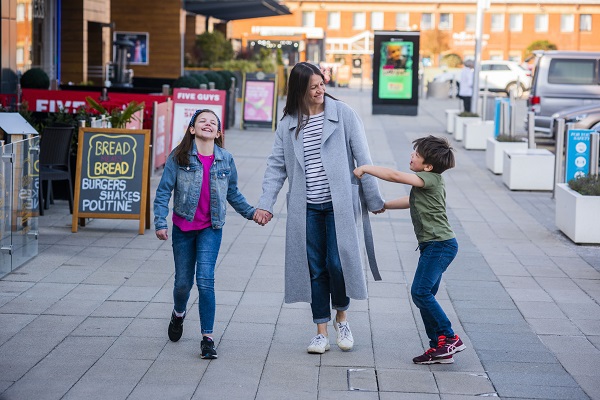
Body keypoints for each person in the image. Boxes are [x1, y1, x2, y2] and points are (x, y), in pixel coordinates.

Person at [253, 62, 385, 354]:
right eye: (313, 87)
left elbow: (364, 158)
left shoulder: (344, 115)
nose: (320, 90)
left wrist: (374, 200)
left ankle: (342, 319)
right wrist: (265, 203)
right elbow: (276, 166)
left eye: (322, 84)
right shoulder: (288, 123)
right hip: (307, 207)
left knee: (337, 264)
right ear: (299, 89)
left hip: (339, 205)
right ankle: (320, 331)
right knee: (315, 267)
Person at [154, 109, 258, 360]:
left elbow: (232, 193)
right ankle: (178, 314)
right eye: (203, 121)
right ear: (192, 129)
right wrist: (160, 222)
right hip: (183, 228)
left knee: (205, 280)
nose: (208, 124)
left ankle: (207, 339)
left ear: (219, 132)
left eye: (213, 122)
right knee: (183, 284)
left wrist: (252, 213)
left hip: (211, 228)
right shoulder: (178, 157)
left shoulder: (225, 159)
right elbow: (163, 191)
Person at [353, 135, 466, 365]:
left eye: (416, 154)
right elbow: (410, 200)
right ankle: (439, 347)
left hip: (440, 245)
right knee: (426, 295)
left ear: (428, 166)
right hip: (434, 246)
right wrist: (383, 206)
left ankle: (450, 337)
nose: (411, 156)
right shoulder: (427, 183)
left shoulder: (431, 179)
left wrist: (365, 167)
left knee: (420, 293)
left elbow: (394, 176)